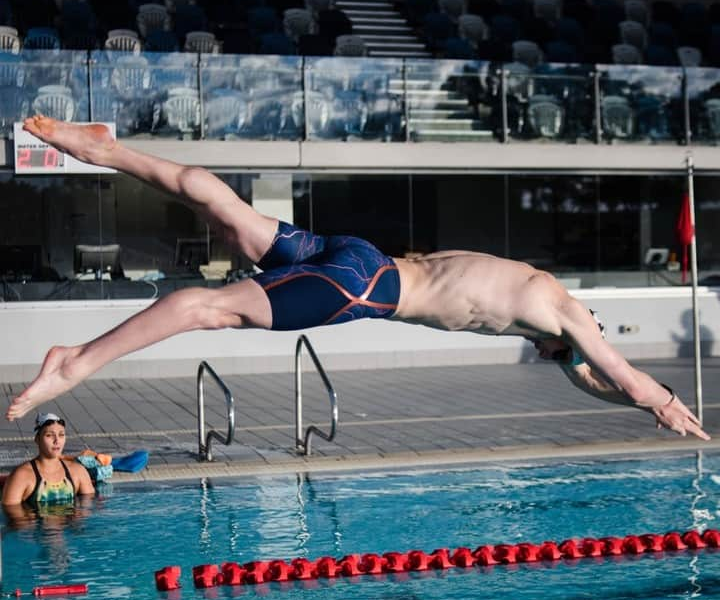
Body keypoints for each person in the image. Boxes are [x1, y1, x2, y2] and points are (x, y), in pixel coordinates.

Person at [4, 115, 710, 442]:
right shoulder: (567, 323)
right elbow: (615, 372)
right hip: (363, 289)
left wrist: (620, 391)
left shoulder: (537, 287)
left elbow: (587, 374)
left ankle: (111, 151)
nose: (550, 358)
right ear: (571, 333)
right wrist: (661, 404)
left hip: (360, 253)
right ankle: (77, 362)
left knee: (223, 207)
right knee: (206, 309)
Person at [2, 411, 95, 507]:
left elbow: (88, 509)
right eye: (49, 435)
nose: (57, 441)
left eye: (61, 435)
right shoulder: (21, 476)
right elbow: (11, 515)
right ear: (37, 439)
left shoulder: (78, 471)